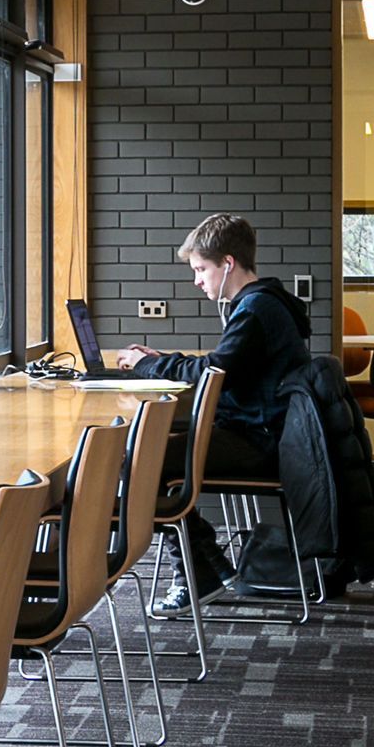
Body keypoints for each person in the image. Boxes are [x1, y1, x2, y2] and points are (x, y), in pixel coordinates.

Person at [115, 213, 312, 615]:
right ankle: (207, 564)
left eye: (201, 269)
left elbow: (212, 373)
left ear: (228, 264)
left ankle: (197, 569)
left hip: (261, 442)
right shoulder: (263, 304)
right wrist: (162, 361)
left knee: (140, 458)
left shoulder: (255, 310)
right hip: (264, 432)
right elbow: (221, 365)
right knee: (152, 452)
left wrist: (145, 365)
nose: (197, 280)